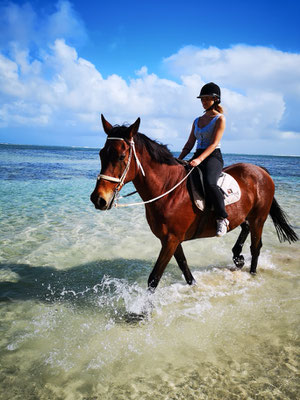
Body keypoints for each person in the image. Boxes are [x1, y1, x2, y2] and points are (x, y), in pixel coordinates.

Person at [178, 82, 229, 237]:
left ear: (216, 99)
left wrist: (199, 160)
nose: (204, 101)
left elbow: (213, 144)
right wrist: (178, 159)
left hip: (213, 157)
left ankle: (222, 218)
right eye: (202, 99)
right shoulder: (196, 120)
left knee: (209, 183)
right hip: (197, 154)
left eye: (207, 99)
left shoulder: (220, 119)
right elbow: (189, 143)